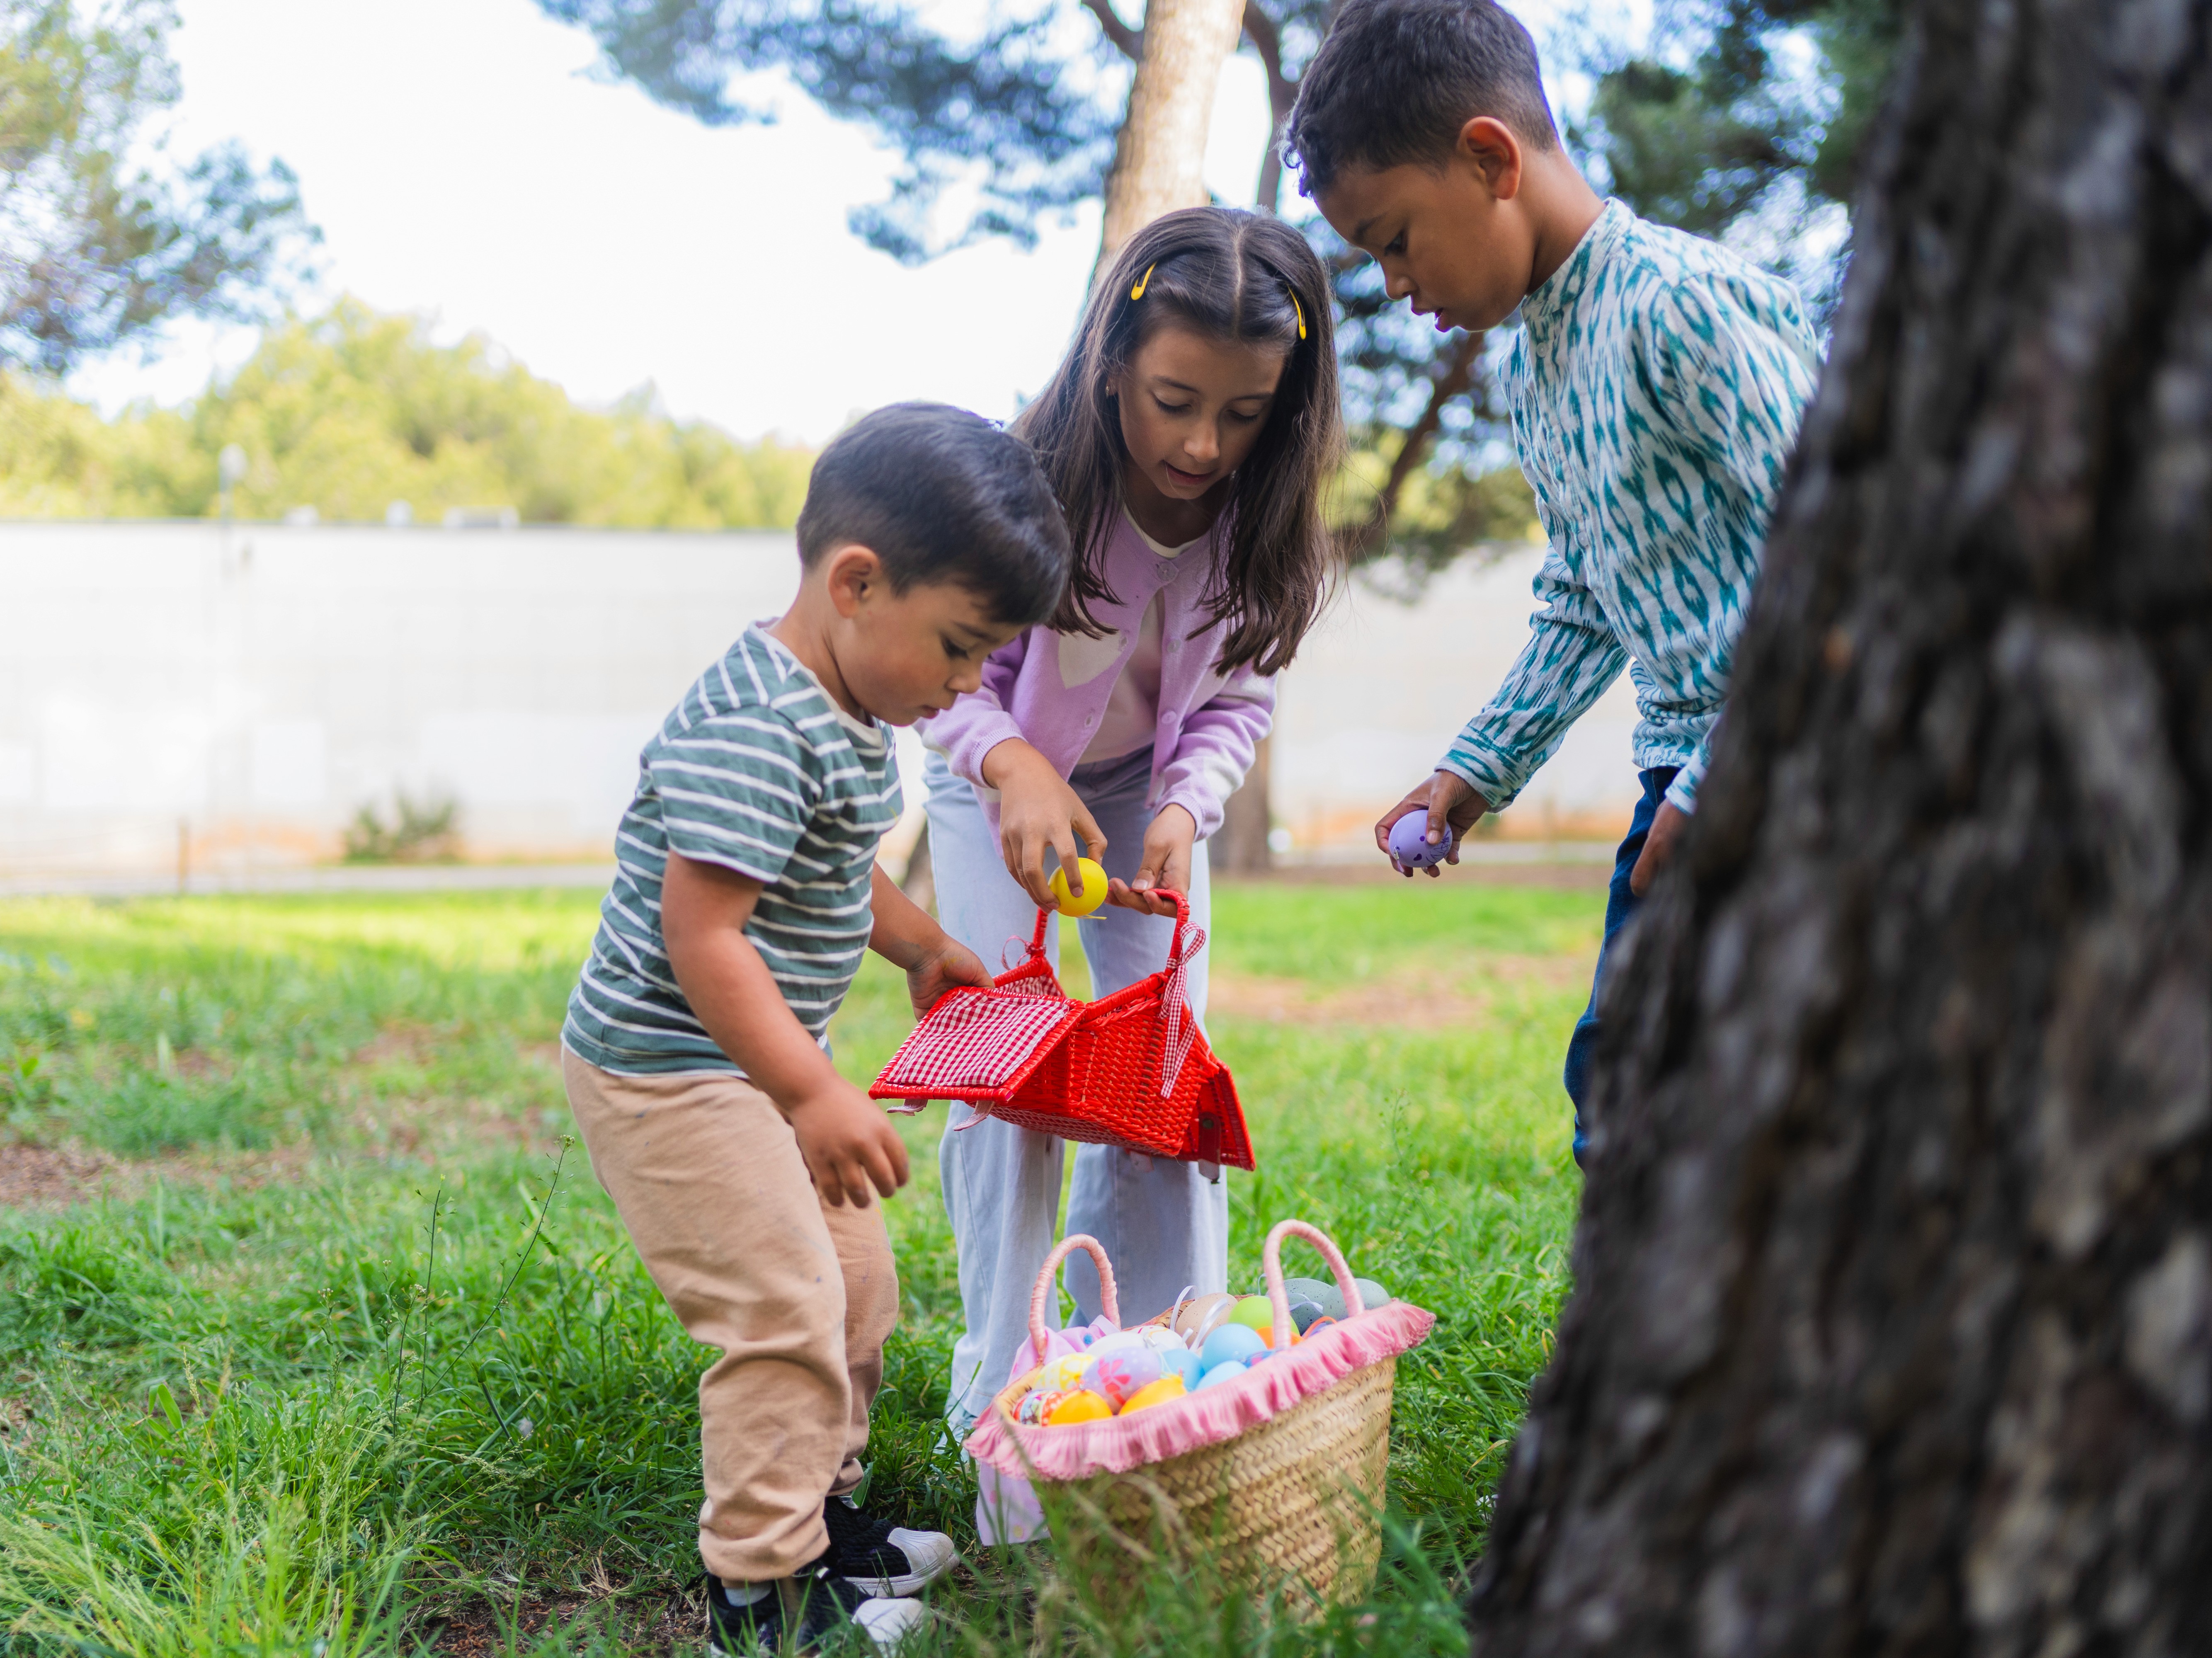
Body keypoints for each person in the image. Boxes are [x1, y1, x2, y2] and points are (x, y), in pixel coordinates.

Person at [560, 403, 1072, 1654]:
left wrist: (922, 943)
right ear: (857, 583)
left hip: (756, 1062)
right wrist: (810, 1095)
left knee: (855, 1282)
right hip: (673, 1071)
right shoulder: (755, 722)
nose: (966, 688)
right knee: (784, 1304)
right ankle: (767, 1587)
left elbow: (834, 872)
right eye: (960, 650)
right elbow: (707, 939)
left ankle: (824, 1517)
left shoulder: (843, 710)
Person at [1287, 0, 1822, 1159]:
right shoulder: (1538, 365)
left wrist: (1721, 775)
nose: (1390, 283)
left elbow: (1843, 552)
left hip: (1811, 765)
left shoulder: (1678, 306)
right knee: (1626, 1086)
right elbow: (1588, 596)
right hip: (1682, 771)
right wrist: (1474, 772)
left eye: (1394, 238)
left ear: (1490, 160)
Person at [918, 206, 1344, 1433]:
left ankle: (1152, 1378)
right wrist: (1008, 765)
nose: (1205, 443)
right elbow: (951, 675)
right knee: (1013, 1082)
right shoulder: (1026, 485)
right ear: (1111, 364)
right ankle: (1003, 1394)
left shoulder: (1260, 524)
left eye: (1244, 413)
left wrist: (1182, 807)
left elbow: (1237, 698)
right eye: (1173, 399)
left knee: (1164, 1078)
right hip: (995, 777)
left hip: (1139, 809)